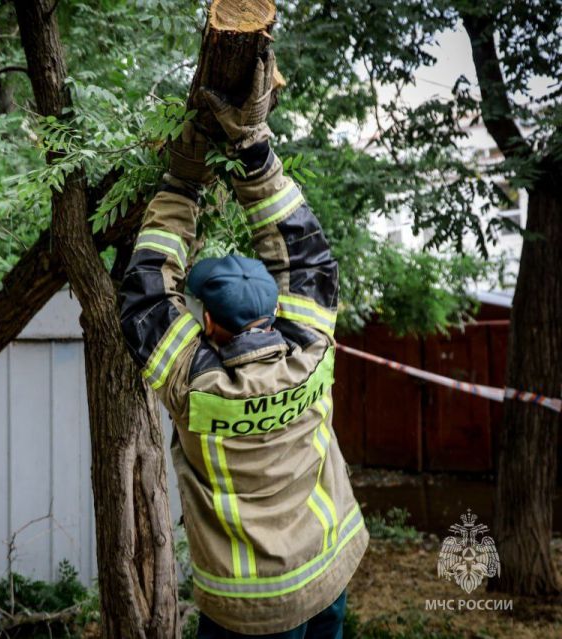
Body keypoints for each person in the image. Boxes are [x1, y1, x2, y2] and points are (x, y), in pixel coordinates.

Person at [119, 49, 368, 638]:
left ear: (207, 325)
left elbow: (147, 293)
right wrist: (254, 149)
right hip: (329, 572)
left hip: (252, 610)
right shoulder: (309, 346)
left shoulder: (196, 383)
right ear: (273, 311)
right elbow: (305, 254)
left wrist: (183, 181)